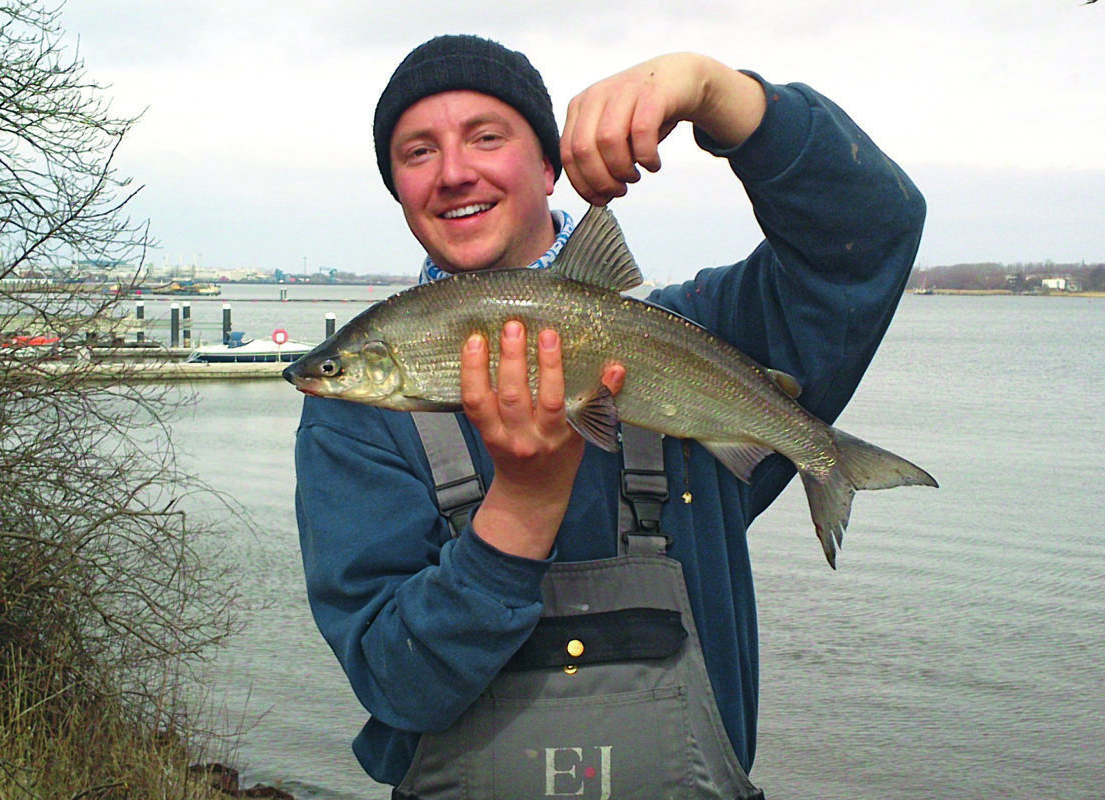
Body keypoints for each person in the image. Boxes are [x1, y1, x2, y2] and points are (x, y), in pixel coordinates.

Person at [294, 34, 924, 799]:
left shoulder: (702, 330)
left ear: (551, 165)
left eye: (487, 137)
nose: (454, 170)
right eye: (417, 152)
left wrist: (716, 93)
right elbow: (398, 683)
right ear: (397, 187)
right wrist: (521, 508)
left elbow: (869, 235)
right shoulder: (358, 421)